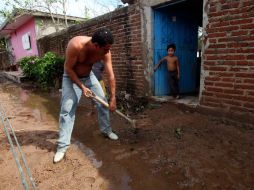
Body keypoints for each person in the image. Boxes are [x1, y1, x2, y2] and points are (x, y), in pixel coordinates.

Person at [54, 28, 118, 163]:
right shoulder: (76, 46)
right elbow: (68, 69)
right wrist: (82, 87)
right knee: (67, 108)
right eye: (105, 49)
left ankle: (106, 130)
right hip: (71, 77)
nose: (108, 52)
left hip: (89, 76)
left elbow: (111, 75)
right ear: (96, 46)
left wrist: (113, 98)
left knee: (103, 102)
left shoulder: (105, 51)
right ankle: (62, 146)